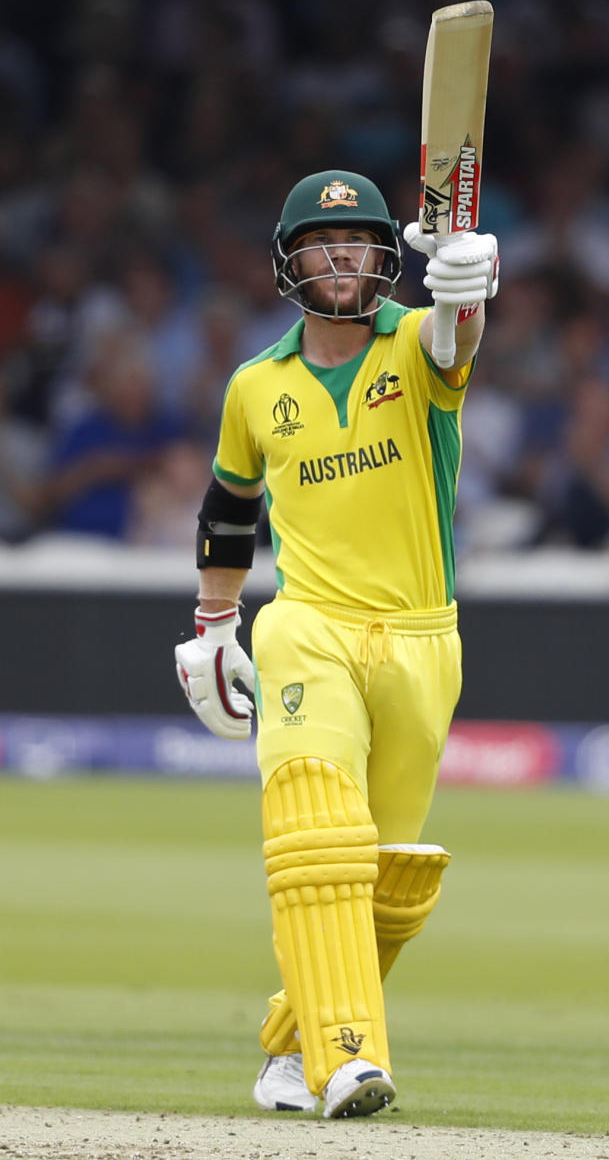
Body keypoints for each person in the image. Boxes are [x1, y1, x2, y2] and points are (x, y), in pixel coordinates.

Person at [173, 169, 498, 1119]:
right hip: (307, 626)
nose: (343, 258)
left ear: (385, 255)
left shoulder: (416, 342)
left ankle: (289, 1046)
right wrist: (214, 621)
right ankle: (348, 1061)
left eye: (358, 242)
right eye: (323, 245)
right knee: (320, 839)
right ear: (290, 263)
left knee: (386, 882)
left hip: (423, 639)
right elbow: (230, 511)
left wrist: (464, 292)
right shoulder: (254, 386)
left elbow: (455, 342)